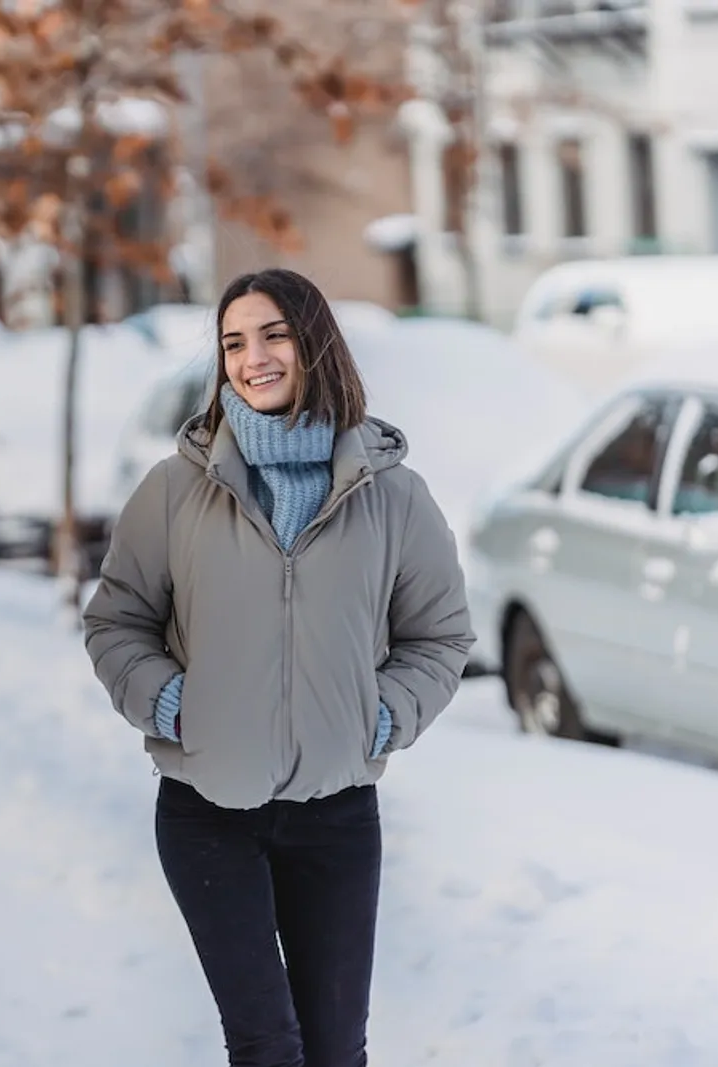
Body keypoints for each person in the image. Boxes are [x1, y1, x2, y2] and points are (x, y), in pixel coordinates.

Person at [83, 269, 473, 1067]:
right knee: (267, 1045)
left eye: (273, 335)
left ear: (314, 342)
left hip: (337, 817)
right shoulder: (173, 491)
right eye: (233, 342)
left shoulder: (391, 495)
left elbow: (440, 635)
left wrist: (384, 714)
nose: (252, 357)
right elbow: (116, 620)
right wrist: (171, 705)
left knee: (335, 1050)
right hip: (207, 811)